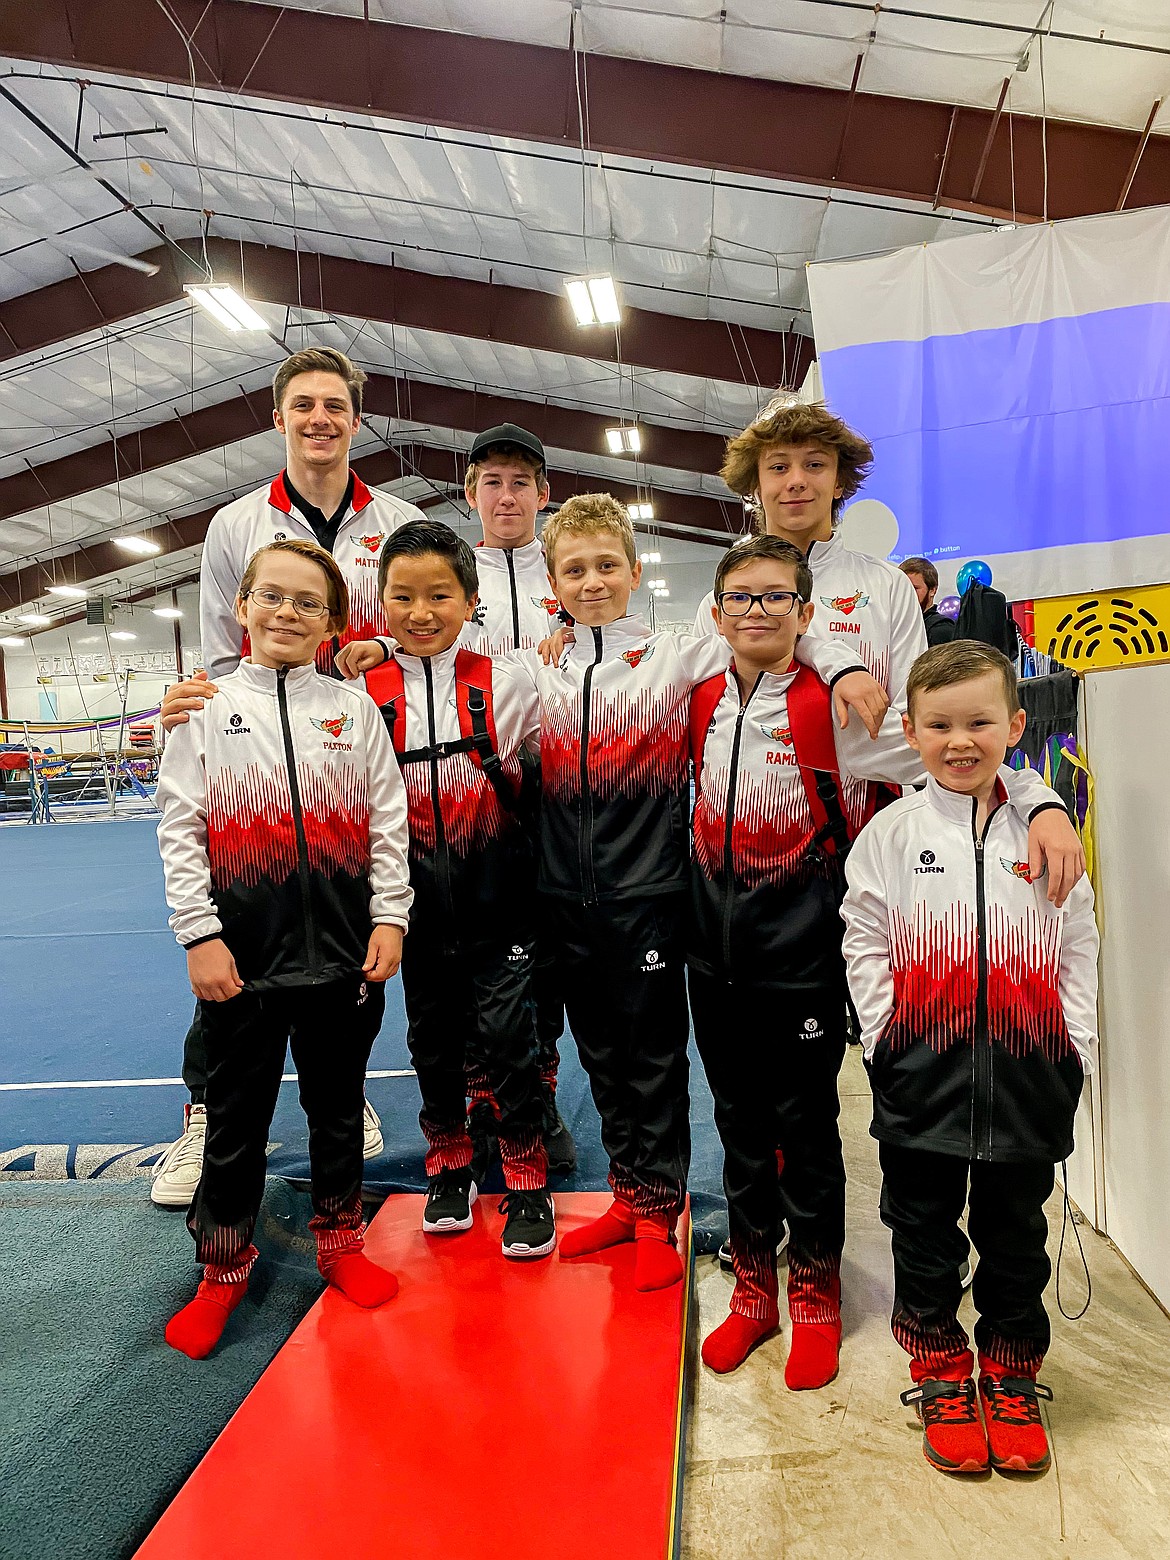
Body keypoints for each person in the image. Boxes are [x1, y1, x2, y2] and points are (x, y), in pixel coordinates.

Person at [152, 347, 425, 1208]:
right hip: (252, 756)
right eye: (303, 404)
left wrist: (377, 655)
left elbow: (432, 625)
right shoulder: (234, 525)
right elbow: (217, 650)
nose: (320, 419)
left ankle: (342, 1112)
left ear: (355, 419)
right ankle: (211, 1117)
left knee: (342, 988)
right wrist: (195, 706)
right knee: (240, 976)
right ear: (279, 418)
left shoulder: (399, 519)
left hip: (360, 747)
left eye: (335, 406)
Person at [841, 641, 1098, 1476]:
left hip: (1030, 1076)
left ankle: (1013, 1375)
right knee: (920, 1232)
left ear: (1015, 727)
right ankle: (944, 1371)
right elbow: (866, 942)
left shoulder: (1047, 833)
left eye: (981, 722)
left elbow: (1079, 947)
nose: (961, 741)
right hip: (923, 1077)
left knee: (1016, 1234)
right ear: (910, 732)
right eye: (940, 724)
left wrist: (1073, 1052)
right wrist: (887, 1044)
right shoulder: (889, 833)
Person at [155, 538, 412, 1359]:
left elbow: (388, 825)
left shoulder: (353, 709)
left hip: (342, 956)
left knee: (338, 1112)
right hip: (243, 961)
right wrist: (199, 935)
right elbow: (181, 832)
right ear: (242, 606)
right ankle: (223, 1269)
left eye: (308, 603)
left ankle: (341, 1244)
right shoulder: (201, 708)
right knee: (235, 1121)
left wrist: (390, 917)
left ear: (333, 621)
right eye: (273, 596)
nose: (288, 613)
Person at [687, 537, 910, 1388]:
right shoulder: (700, 697)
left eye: (777, 598)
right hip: (714, 955)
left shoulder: (837, 708)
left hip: (805, 952)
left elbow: (950, 750)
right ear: (716, 613)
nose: (756, 611)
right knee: (739, 1126)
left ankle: (815, 1293)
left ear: (808, 615)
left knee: (807, 1129)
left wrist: (1036, 800)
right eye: (740, 597)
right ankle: (754, 1290)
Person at [339, 422, 578, 1182]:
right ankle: (478, 1101)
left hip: (544, 793)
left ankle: (535, 1097)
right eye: (490, 482)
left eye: (520, 482)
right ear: (470, 493)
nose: (505, 496)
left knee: (536, 976)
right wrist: (389, 647)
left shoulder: (564, 573)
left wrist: (576, 622)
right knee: (451, 978)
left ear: (543, 493)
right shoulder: (443, 572)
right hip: (447, 799)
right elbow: (418, 632)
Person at [363, 520, 555, 1258]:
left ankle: (526, 1176)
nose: (421, 612)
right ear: (381, 605)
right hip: (412, 913)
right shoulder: (361, 694)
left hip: (500, 904)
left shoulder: (507, 680)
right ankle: (450, 1165)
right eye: (403, 597)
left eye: (439, 594)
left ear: (470, 600)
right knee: (431, 1041)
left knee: (512, 1041)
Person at [899, 557, 956, 646]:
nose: (908, 593)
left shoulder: (941, 629)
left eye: (915, 588)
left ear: (932, 590)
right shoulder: (898, 626)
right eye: (903, 588)